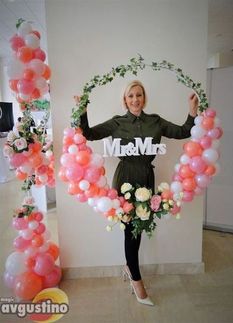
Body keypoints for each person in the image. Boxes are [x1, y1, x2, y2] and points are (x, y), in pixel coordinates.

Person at [76, 80, 198, 306]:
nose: (135, 99)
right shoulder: (117, 122)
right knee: (130, 230)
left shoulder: (155, 121)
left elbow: (182, 132)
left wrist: (192, 113)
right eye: (130, 95)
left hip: (146, 179)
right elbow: (89, 134)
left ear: (144, 97)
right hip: (125, 179)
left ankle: (129, 268)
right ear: (125, 99)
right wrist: (83, 112)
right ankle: (136, 278)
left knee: (138, 228)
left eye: (139, 95)